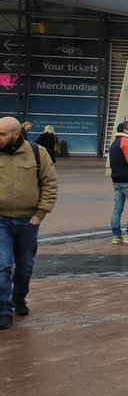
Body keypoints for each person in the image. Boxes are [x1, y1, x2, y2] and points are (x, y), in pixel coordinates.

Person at [0, 116, 57, 328]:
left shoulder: (37, 153)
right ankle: (3, 309)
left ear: (17, 134)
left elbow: (49, 184)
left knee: (24, 266)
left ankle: (19, 297)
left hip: (28, 221)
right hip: (1, 220)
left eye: (2, 134)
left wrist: (41, 212)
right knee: (3, 265)